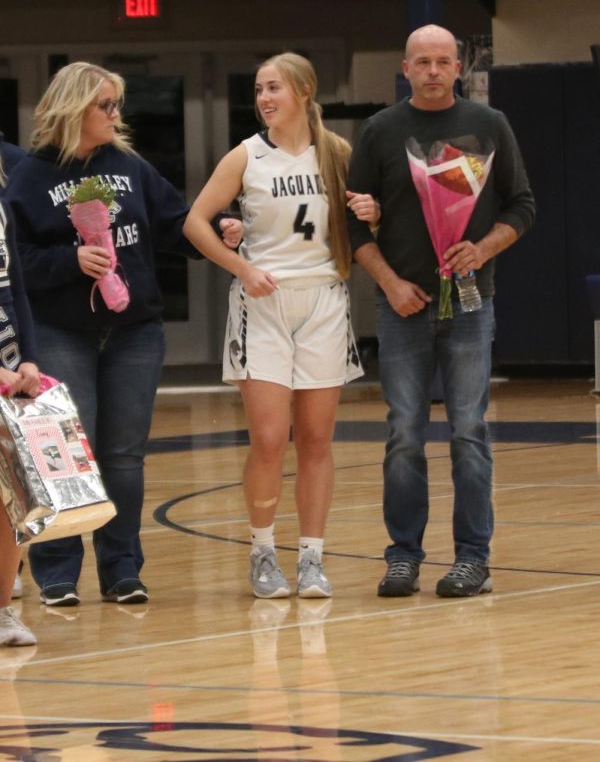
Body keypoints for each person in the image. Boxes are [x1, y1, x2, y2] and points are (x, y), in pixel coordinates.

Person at [5, 61, 242, 607]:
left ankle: (122, 569)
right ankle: (58, 573)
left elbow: (174, 224)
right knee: (65, 456)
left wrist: (222, 226)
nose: (116, 115)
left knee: (124, 456)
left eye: (117, 105)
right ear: (74, 109)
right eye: (104, 106)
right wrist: (69, 261)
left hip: (134, 332)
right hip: (61, 331)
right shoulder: (30, 176)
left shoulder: (129, 166)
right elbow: (14, 264)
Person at [346, 24, 536, 599]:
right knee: (404, 432)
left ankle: (473, 559)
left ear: (459, 68)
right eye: (422, 61)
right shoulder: (380, 131)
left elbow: (523, 205)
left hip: (472, 306)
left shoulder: (489, 126)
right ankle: (403, 556)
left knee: (468, 432)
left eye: (443, 61)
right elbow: (354, 223)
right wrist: (390, 282)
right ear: (405, 69)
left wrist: (482, 248)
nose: (432, 70)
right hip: (402, 307)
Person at [183, 51, 378, 599]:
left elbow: (363, 215)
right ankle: (263, 552)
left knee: (316, 439)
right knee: (270, 439)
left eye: (275, 88)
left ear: (304, 92)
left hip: (324, 302)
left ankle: (312, 558)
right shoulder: (246, 155)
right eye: (259, 89)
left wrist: (373, 212)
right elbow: (196, 221)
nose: (265, 99)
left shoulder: (337, 153)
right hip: (263, 303)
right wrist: (241, 267)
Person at [0, 172, 40, 645]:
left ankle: (4, 610)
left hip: (9, 363)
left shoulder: (3, 205)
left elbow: (17, 293)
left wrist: (28, 357)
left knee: (11, 496)